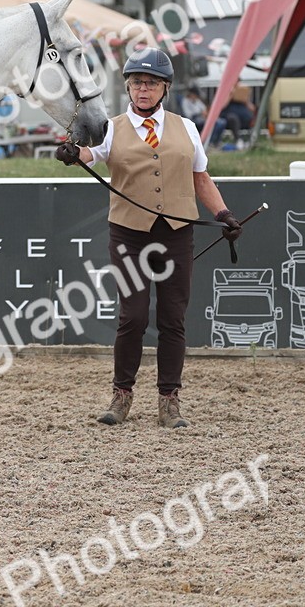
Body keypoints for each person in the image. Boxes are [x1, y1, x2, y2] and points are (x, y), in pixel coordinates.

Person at [54, 48, 241, 429]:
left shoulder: (187, 128)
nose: (143, 89)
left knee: (173, 318)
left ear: (164, 88)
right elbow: (91, 154)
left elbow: (200, 178)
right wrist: (73, 153)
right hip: (130, 236)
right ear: (128, 86)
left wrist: (223, 215)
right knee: (133, 317)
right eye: (137, 82)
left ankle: (169, 400)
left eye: (151, 83)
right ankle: (121, 396)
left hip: (176, 233)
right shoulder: (113, 128)